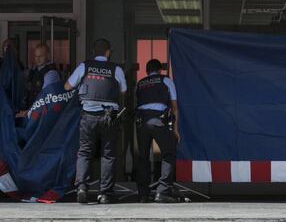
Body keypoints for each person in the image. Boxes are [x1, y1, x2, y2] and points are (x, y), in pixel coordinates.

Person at [64, 38, 127, 204]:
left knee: (84, 152)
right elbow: (124, 90)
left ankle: (82, 188)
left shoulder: (84, 66)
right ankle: (105, 193)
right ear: (108, 52)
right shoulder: (116, 69)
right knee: (108, 155)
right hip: (109, 117)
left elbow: (67, 86)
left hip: (88, 117)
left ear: (94, 52)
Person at [135, 59, 180, 203]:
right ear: (160, 70)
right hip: (158, 121)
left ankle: (143, 194)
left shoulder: (140, 83)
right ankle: (162, 190)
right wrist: (175, 129)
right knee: (169, 152)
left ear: (147, 71)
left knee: (143, 158)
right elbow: (174, 106)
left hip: (141, 122)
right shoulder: (165, 80)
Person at [25, 44, 60, 109]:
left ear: (48, 55)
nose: (37, 59)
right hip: (33, 109)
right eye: (36, 56)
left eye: (40, 56)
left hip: (43, 111)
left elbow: (44, 97)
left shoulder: (51, 73)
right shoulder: (35, 70)